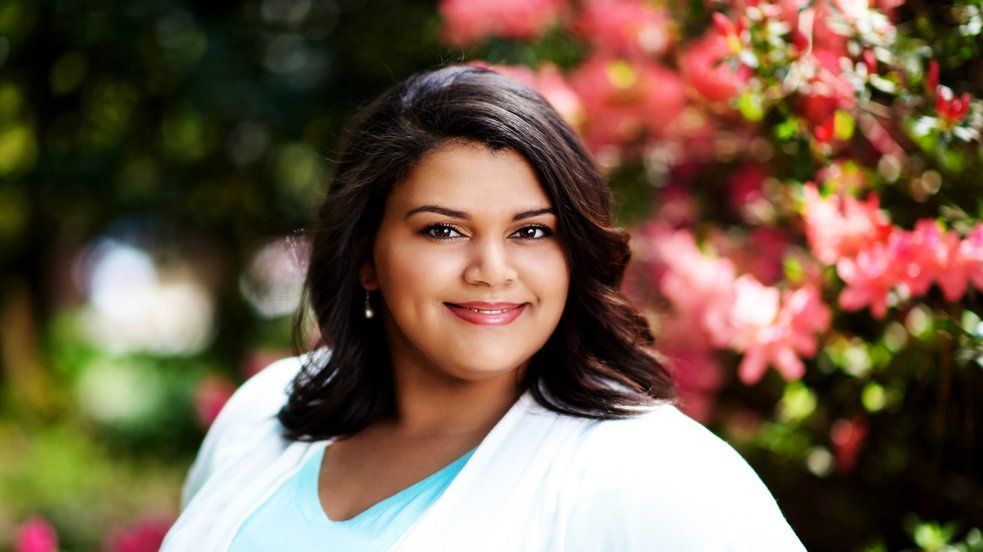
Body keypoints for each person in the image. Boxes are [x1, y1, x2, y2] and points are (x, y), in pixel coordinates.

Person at [161, 65, 806, 551]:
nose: (492, 272)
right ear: (366, 256)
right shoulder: (266, 415)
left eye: (531, 232)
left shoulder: (655, 474)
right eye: (443, 230)